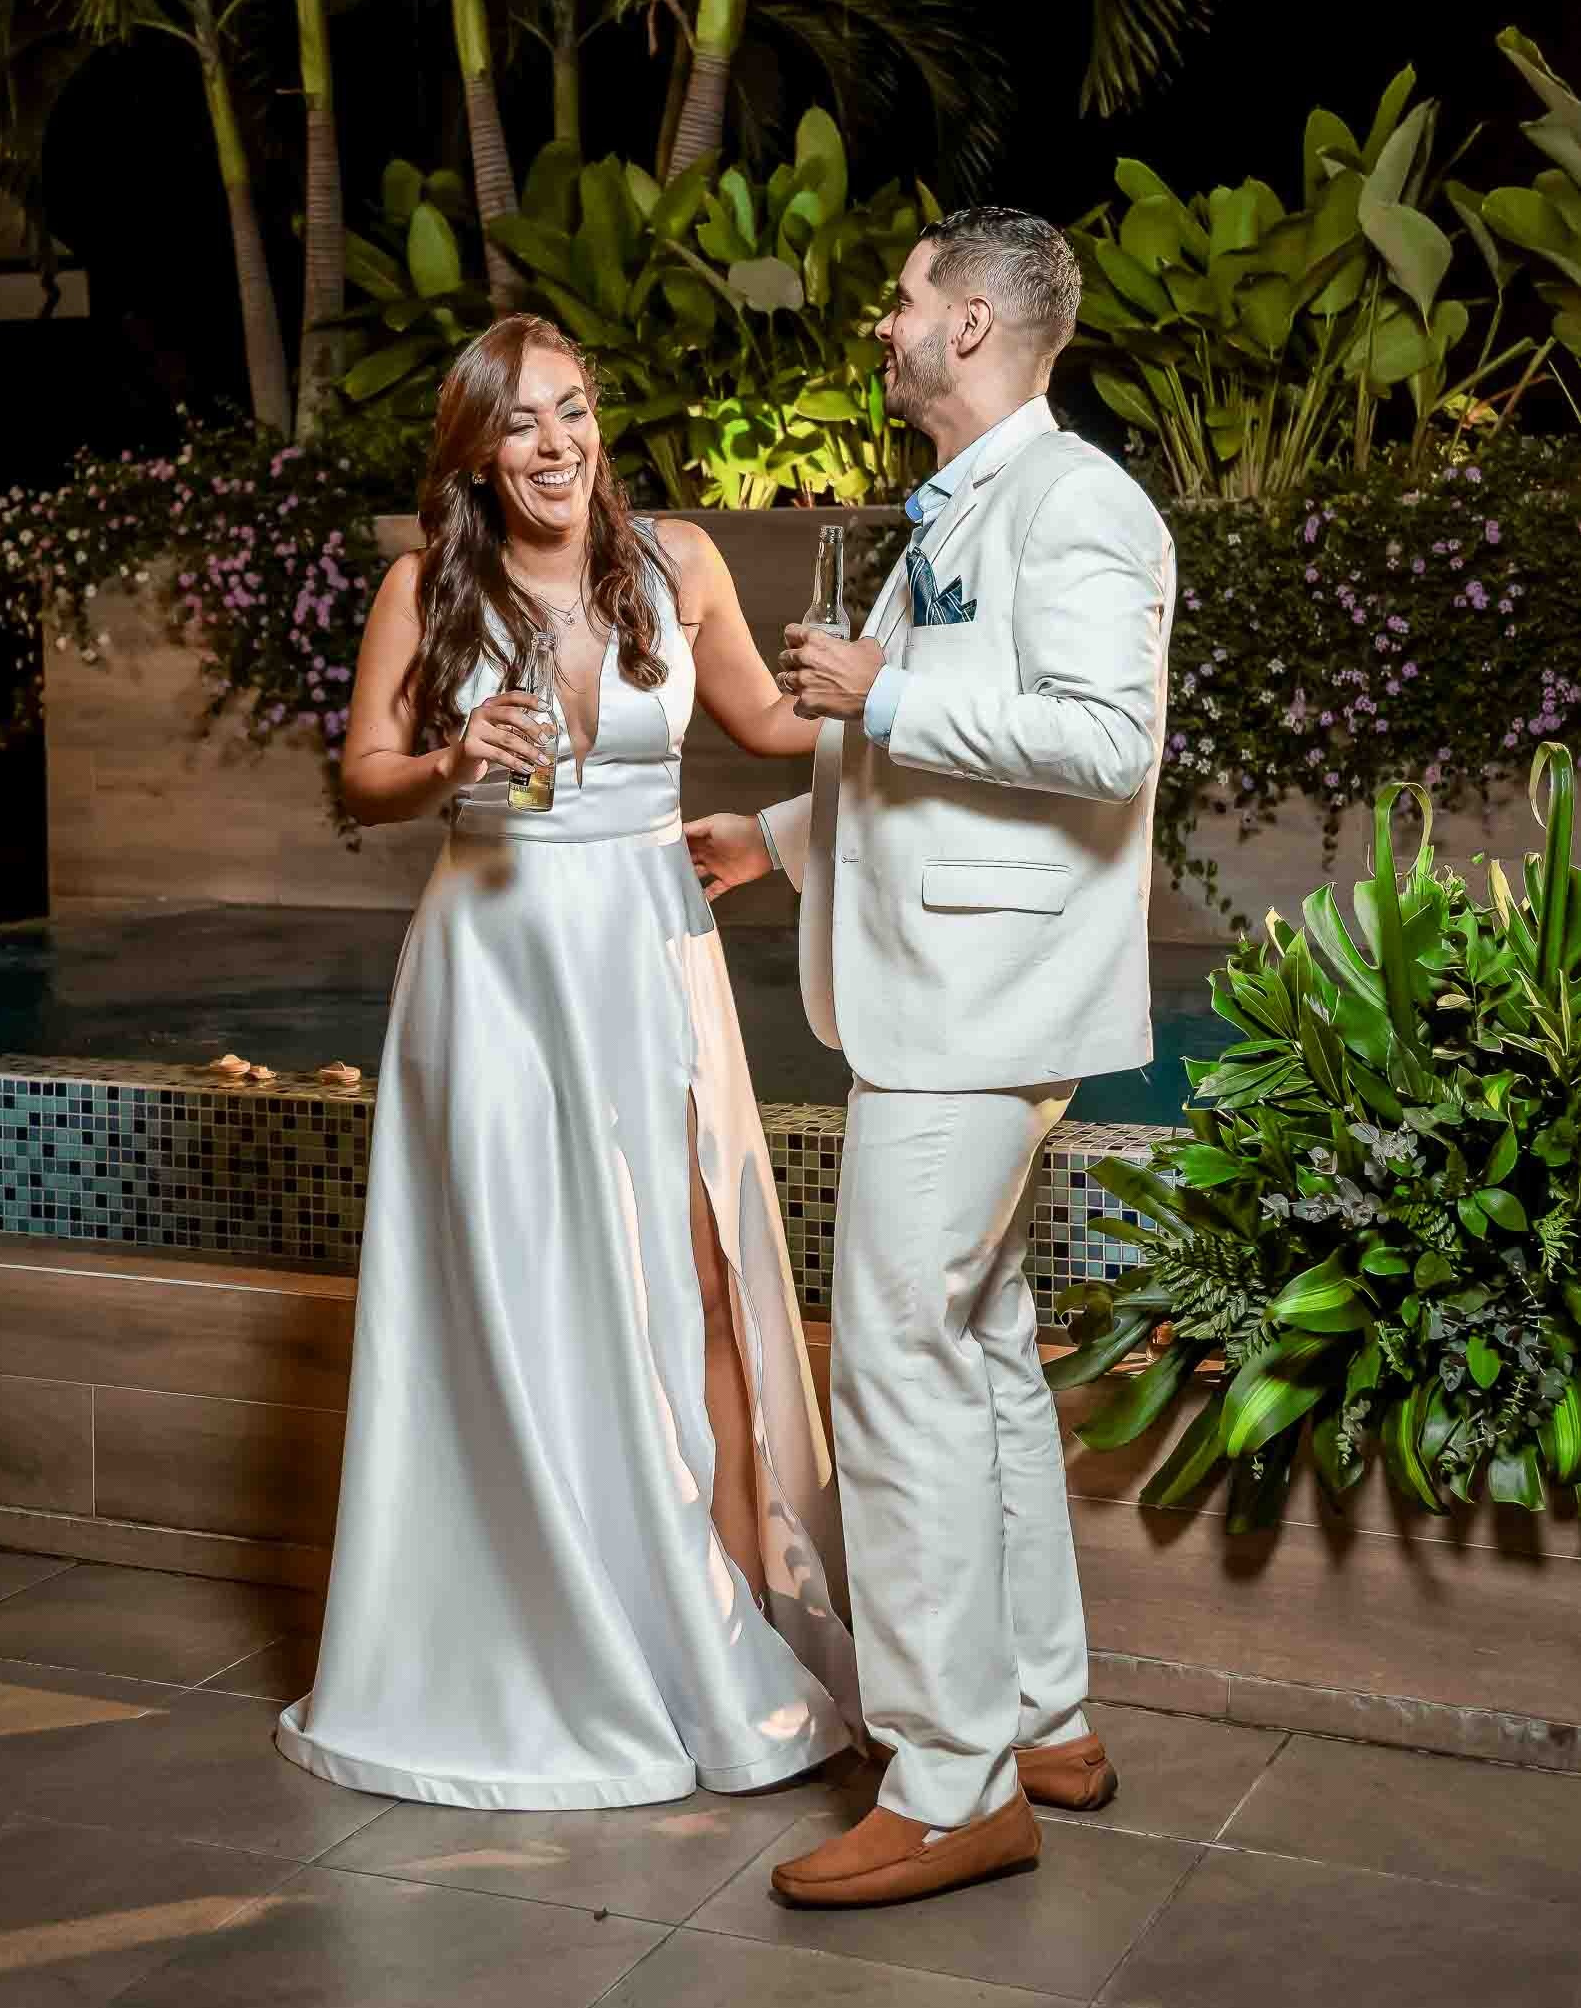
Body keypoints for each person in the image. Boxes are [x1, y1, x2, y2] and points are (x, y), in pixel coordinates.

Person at [277, 314, 859, 1809]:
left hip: (649, 948)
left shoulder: (682, 563)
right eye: (524, 422)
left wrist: (887, 685)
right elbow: (365, 776)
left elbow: (768, 722)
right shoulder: (427, 584)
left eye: (577, 410)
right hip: (497, 962)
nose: (558, 444)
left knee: (700, 1272)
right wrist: (451, 759)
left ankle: (726, 1622)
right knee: (523, 1278)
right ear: (479, 451)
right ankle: (547, 1629)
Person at [686, 207, 1175, 1906]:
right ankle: (1041, 1721)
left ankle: (952, 1784)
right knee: (979, 1349)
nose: (883, 323)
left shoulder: (1077, 504)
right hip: (946, 994)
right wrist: (773, 839)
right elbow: (910, 763)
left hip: (982, 1009)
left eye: (903, 299)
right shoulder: (949, 512)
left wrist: (882, 693)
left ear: (969, 324)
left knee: (896, 1360)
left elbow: (1103, 742)